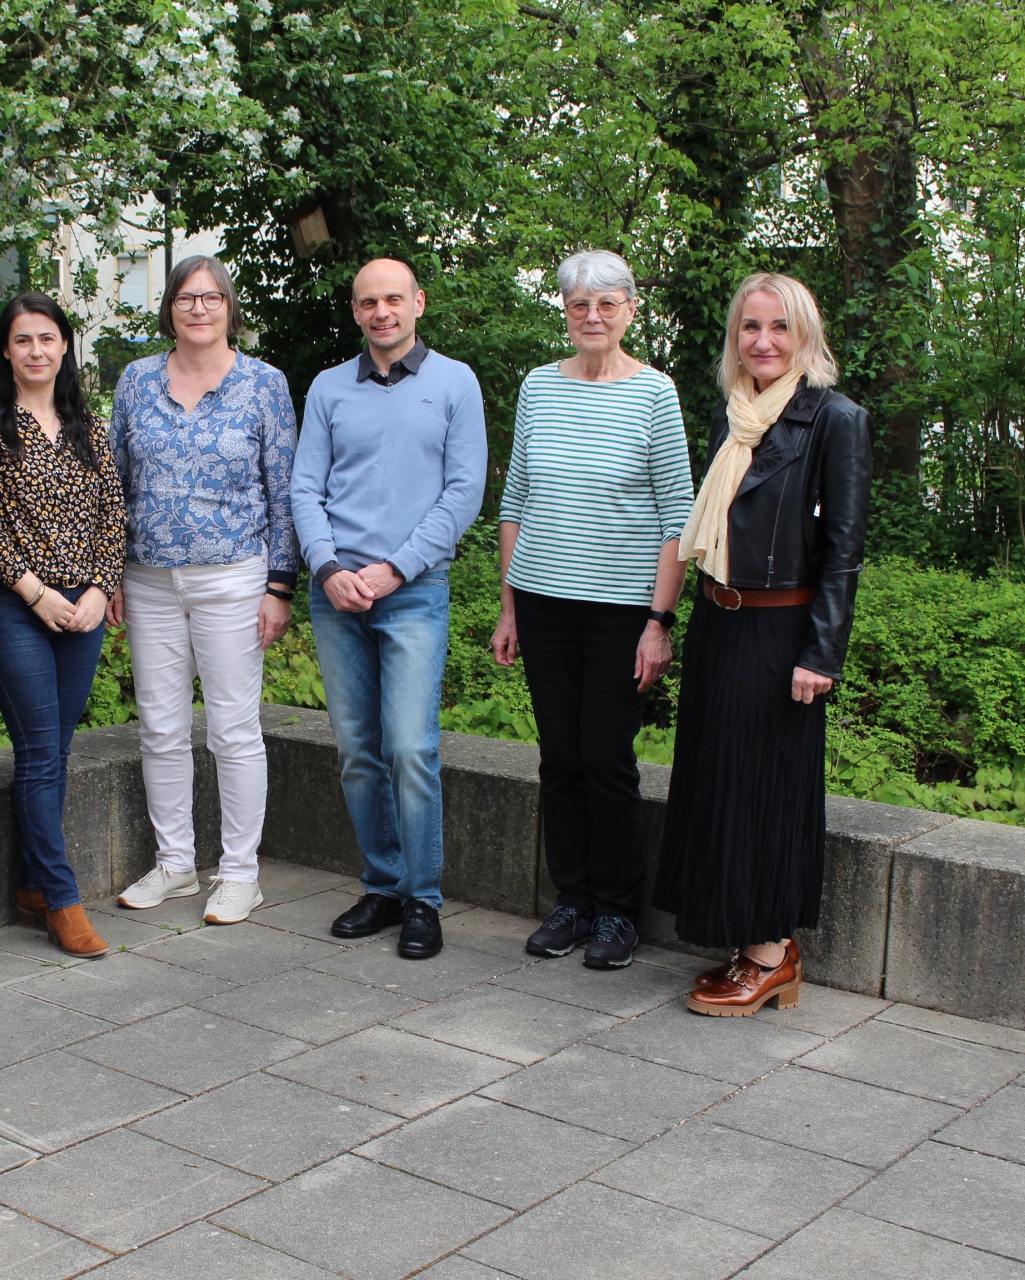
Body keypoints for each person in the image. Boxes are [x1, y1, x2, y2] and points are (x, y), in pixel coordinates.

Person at [654, 271, 871, 1016]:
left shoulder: (835, 420)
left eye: (779, 327)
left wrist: (822, 652)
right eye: (751, 327)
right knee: (720, 781)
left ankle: (773, 953)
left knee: (770, 787)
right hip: (721, 618)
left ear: (805, 335)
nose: (764, 341)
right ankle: (743, 940)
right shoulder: (734, 415)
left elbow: (843, 551)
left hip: (783, 631)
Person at [490, 250, 694, 970]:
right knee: (561, 758)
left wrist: (657, 623)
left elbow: (679, 516)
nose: (593, 316)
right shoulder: (538, 388)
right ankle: (572, 901)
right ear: (566, 313)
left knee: (607, 759)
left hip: (619, 612)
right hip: (543, 603)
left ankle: (617, 912)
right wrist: (510, 608)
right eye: (579, 304)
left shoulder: (655, 394)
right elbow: (515, 502)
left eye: (607, 303)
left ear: (631, 310)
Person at [292, 257, 486, 960]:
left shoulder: (454, 383)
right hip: (336, 593)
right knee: (357, 753)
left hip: (414, 593)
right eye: (369, 302)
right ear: (355, 311)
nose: (382, 312)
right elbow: (304, 488)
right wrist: (327, 566)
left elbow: (463, 493)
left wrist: (394, 567)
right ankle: (382, 885)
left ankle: (423, 900)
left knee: (410, 747)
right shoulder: (328, 388)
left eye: (394, 299)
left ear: (418, 304)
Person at [108, 255, 298, 926]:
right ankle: (176, 864)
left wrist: (280, 585)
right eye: (186, 298)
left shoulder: (263, 384)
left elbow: (284, 492)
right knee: (159, 727)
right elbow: (115, 485)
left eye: (211, 297)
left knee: (232, 729)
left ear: (229, 307)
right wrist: (111, 574)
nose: (198, 308)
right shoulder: (136, 381)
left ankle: (241, 873)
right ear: (170, 308)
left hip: (234, 577)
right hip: (150, 578)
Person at [0, 293, 126, 958]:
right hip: (13, 604)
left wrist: (98, 588)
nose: (37, 350)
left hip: (82, 607)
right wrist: (35, 592)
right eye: (23, 339)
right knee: (38, 750)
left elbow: (114, 515)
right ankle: (63, 900)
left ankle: (33, 886)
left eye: (48, 339)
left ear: (65, 348)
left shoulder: (89, 427)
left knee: (57, 749)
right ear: (5, 352)